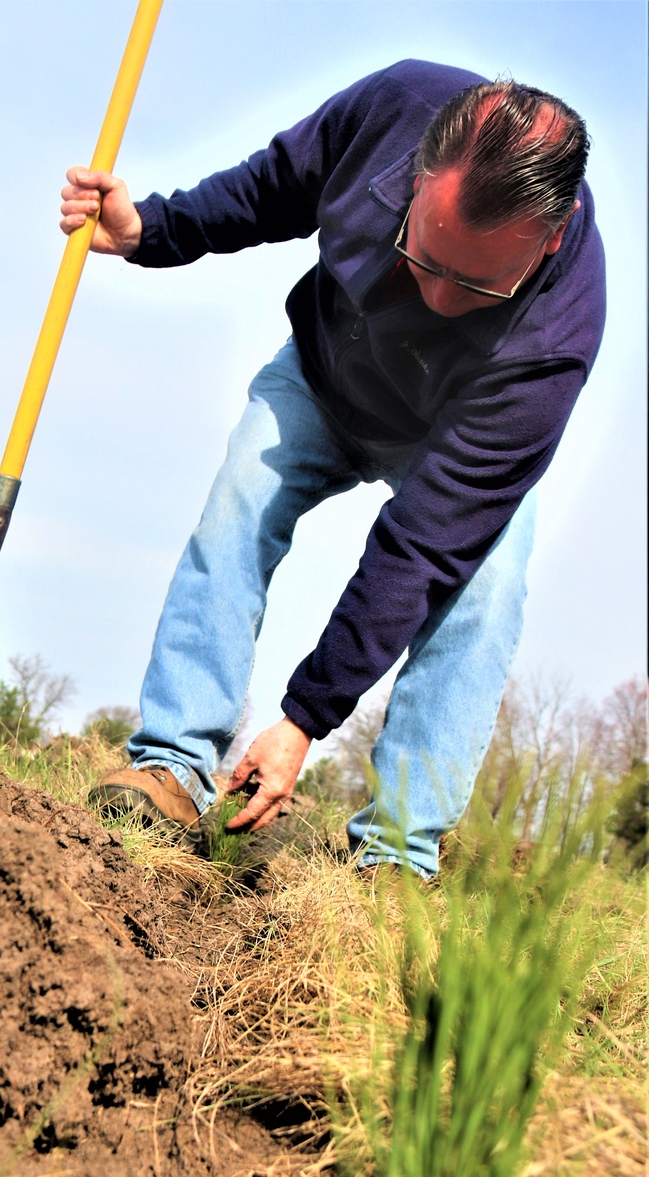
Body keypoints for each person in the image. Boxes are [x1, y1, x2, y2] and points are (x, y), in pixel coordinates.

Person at [59, 60, 605, 878]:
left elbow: (418, 550)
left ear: (549, 239)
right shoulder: (392, 109)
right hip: (324, 372)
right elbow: (274, 186)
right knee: (242, 497)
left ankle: (397, 854)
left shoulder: (553, 340)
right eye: (427, 257)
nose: (439, 298)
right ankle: (171, 764)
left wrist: (305, 717)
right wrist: (155, 231)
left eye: (477, 283)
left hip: (447, 440)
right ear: (418, 176)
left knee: (483, 592)